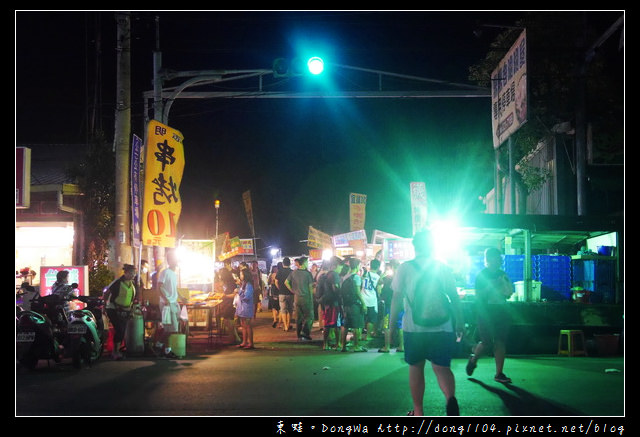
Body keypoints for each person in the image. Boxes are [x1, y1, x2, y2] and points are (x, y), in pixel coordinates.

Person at [389, 229, 464, 416]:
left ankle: (418, 411)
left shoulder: (405, 268)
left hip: (414, 328)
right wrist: (460, 322)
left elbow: (396, 299)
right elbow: (454, 298)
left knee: (416, 367)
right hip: (442, 326)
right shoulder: (442, 267)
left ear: (415, 247)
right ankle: (450, 398)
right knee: (442, 368)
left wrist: (391, 326)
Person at [466, 247, 514, 383]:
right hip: (486, 312)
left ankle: (499, 373)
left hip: (501, 310)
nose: (499, 260)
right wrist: (492, 286)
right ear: (488, 260)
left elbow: (509, 293)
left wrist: (506, 289)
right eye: (496, 258)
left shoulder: (503, 274)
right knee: (486, 341)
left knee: (500, 341)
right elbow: (478, 295)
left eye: (500, 258)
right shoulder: (482, 275)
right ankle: (473, 359)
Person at [104, 264, 138, 360]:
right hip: (113, 309)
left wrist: (131, 310)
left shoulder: (133, 284)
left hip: (126, 310)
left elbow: (132, 298)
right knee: (119, 329)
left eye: (134, 273)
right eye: (131, 273)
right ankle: (115, 352)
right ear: (125, 272)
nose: (133, 275)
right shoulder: (117, 282)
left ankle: (117, 351)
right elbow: (106, 293)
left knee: (122, 330)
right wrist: (104, 305)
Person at [340, 257, 367, 352]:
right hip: (354, 304)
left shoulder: (345, 277)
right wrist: (363, 303)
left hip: (346, 303)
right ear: (358, 265)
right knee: (356, 325)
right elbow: (357, 292)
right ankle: (356, 346)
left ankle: (343, 346)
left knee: (346, 325)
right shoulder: (356, 277)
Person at [157, 251, 182, 358]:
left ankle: (160, 347)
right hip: (167, 304)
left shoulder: (174, 274)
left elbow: (175, 289)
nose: (176, 262)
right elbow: (159, 286)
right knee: (170, 329)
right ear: (170, 261)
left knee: (172, 329)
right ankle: (164, 349)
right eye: (175, 260)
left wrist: (181, 297)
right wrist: (165, 299)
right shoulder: (165, 272)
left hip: (173, 303)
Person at [316, 256, 344, 350]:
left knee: (327, 324)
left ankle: (325, 344)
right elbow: (335, 289)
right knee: (336, 325)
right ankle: (338, 344)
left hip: (326, 303)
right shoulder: (334, 275)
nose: (341, 269)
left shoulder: (325, 275)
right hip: (334, 303)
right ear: (335, 266)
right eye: (340, 267)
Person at [285, 256, 315, 341]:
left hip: (297, 298)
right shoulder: (308, 274)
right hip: (306, 297)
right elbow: (310, 288)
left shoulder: (293, 273)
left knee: (298, 318)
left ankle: (298, 335)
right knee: (309, 316)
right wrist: (312, 299)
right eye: (307, 262)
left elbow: (286, 282)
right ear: (304, 263)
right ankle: (305, 332)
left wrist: (292, 290)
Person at [378, 259, 404, 353]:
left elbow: (380, 285)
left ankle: (387, 346)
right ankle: (401, 346)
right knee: (400, 325)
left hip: (390, 305)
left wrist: (383, 275)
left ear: (392, 266)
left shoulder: (389, 278)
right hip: (401, 304)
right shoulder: (402, 277)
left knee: (387, 325)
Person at [218, 259, 242, 344]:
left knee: (229, 320)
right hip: (226, 304)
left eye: (220, 275)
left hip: (229, 304)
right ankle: (234, 337)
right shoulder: (226, 283)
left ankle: (235, 338)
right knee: (227, 320)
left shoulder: (230, 283)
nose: (219, 276)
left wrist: (225, 296)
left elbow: (234, 294)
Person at [361, 259, 381, 341]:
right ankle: (368, 335)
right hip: (372, 300)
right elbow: (379, 291)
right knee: (371, 319)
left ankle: (359, 336)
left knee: (362, 319)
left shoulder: (365, 274)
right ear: (378, 267)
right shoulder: (378, 277)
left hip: (362, 298)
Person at [235, 267, 256, 349]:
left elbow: (246, 297)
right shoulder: (243, 284)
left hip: (246, 308)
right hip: (242, 308)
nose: (240, 275)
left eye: (241, 274)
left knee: (248, 326)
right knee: (243, 325)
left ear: (245, 275)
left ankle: (251, 343)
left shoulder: (249, 285)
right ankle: (244, 342)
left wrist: (239, 291)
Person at [275, 257, 294, 332]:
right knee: (290, 310)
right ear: (290, 263)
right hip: (290, 293)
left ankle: (285, 326)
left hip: (282, 293)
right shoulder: (292, 272)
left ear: (283, 264)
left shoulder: (279, 271)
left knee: (283, 310)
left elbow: (276, 281)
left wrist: (279, 288)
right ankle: (288, 324)